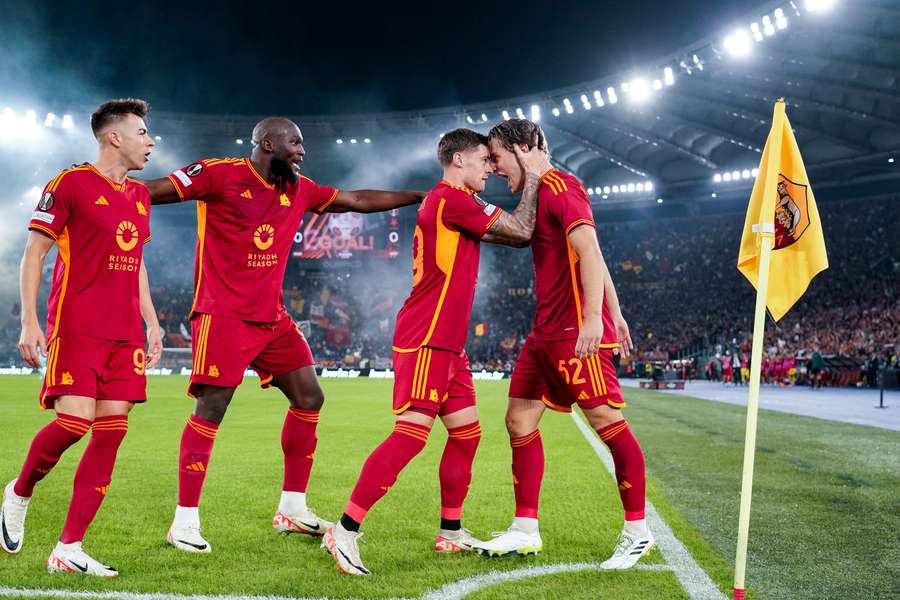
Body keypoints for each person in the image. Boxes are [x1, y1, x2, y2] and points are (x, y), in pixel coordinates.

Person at [143, 117, 425, 553]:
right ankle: (184, 521)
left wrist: (420, 196)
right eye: (295, 142)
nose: (302, 150)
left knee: (310, 397)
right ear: (268, 143)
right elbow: (151, 191)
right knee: (212, 408)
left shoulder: (299, 188)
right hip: (223, 314)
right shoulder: (220, 174)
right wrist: (104, 194)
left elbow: (354, 199)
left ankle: (292, 507)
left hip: (272, 319)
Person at [322, 128, 550, 576]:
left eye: (492, 160)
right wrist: (538, 176)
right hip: (427, 335)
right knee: (410, 435)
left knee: (467, 434)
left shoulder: (451, 202)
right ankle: (344, 529)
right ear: (460, 159)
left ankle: (450, 531)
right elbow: (522, 231)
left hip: (448, 341)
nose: (489, 167)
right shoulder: (452, 199)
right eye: (484, 159)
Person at [473, 118, 653, 571]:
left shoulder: (559, 186)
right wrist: (616, 309)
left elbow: (589, 251)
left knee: (607, 424)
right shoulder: (542, 192)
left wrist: (596, 317)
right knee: (518, 420)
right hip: (544, 335)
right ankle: (525, 529)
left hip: (574, 334)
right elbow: (591, 252)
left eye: (496, 157)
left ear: (522, 147)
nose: (494, 169)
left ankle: (637, 531)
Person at [2, 99, 161, 576]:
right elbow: (34, 253)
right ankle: (18, 492)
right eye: (142, 132)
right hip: (77, 326)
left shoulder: (139, 196)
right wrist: (30, 321)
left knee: (112, 433)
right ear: (114, 137)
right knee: (73, 425)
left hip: (125, 334)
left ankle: (69, 547)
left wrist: (151, 322)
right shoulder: (70, 183)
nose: (150, 142)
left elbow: (136, 265)